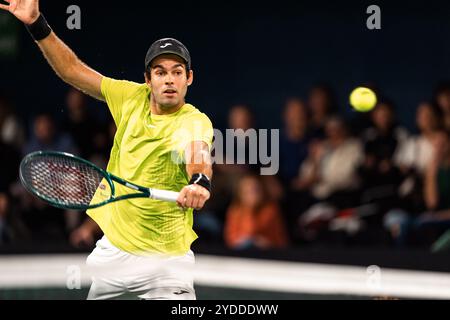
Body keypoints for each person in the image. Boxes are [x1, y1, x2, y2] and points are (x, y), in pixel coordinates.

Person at [2, 0, 213, 300]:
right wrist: (36, 23)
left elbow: (198, 154)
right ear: (147, 79)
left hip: (167, 262)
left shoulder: (193, 121)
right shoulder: (130, 97)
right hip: (114, 252)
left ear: (188, 78)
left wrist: (199, 183)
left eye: (177, 72)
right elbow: (72, 71)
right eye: (160, 71)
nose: (169, 79)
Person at [224, 174, 288, 250]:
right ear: (240, 194)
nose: (252, 195)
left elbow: (280, 239)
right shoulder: (235, 211)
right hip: (241, 253)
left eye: (255, 190)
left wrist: (264, 242)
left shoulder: (271, 210)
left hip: (267, 252)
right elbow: (230, 239)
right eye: (247, 192)